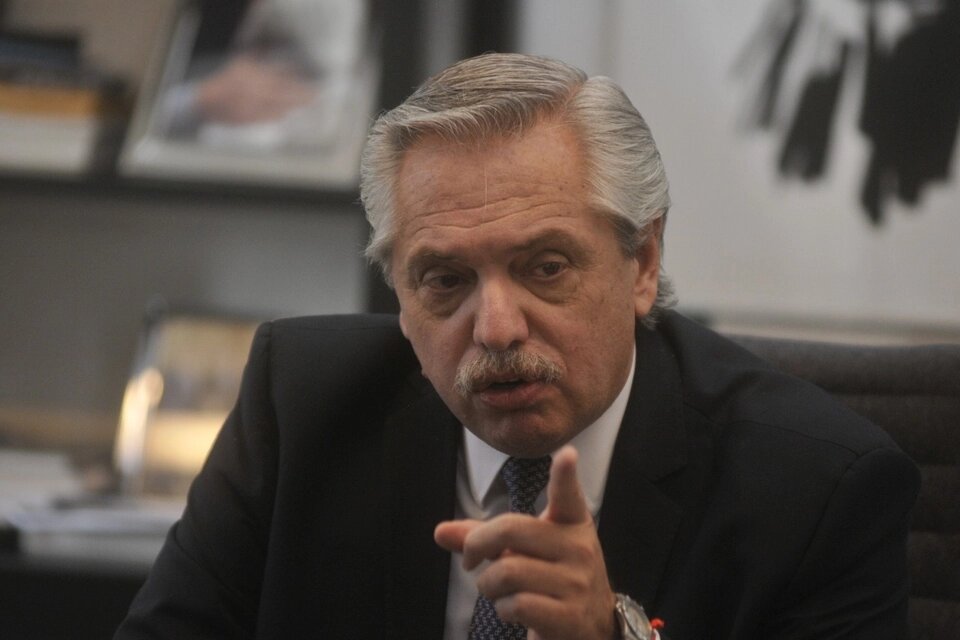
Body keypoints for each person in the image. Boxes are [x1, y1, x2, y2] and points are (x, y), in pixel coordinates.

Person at [115, 53, 919, 639]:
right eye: (445, 280)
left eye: (546, 268)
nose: (497, 328)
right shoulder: (300, 402)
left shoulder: (818, 488)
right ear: (398, 294)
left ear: (643, 264)